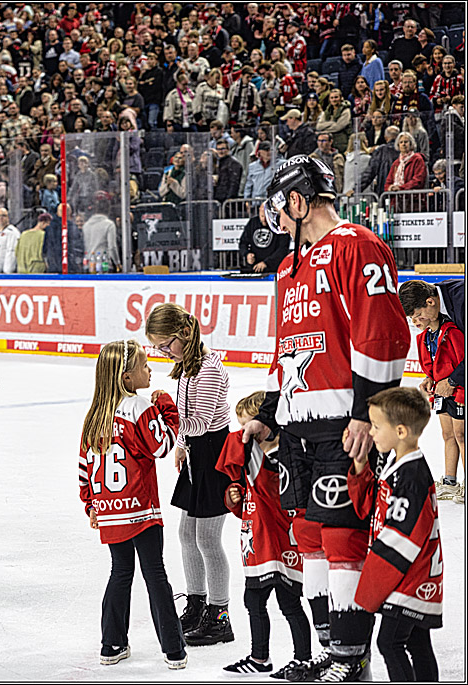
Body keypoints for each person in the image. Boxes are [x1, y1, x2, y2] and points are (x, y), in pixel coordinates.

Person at [245, 155, 410, 681]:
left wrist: (367, 412)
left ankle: (351, 654)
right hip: (296, 428)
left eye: (278, 205)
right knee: (308, 534)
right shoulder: (289, 267)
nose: (275, 218)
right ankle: (328, 648)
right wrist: (268, 414)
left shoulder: (358, 246)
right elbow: (286, 349)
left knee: (341, 536)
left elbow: (380, 332)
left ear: (296, 201)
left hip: (343, 422)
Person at [79, 340, 187, 670]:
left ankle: (111, 645)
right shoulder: (139, 407)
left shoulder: (95, 415)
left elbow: (85, 468)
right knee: (155, 574)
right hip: (141, 509)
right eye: (143, 366)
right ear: (127, 377)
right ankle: (174, 650)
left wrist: (91, 506)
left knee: (120, 572)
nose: (149, 369)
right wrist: (166, 405)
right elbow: (163, 445)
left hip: (111, 512)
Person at [145, 303, 233, 647]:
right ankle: (197, 604)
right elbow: (189, 421)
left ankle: (220, 615)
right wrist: (180, 443)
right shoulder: (185, 365)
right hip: (197, 451)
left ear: (184, 333)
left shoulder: (208, 369)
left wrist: (164, 414)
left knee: (208, 539)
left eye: (166, 345)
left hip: (214, 454)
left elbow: (201, 421)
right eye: (158, 348)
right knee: (186, 534)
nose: (164, 353)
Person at [348, 388, 442, 681]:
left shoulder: (411, 476)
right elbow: (374, 509)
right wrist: (361, 466)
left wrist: (371, 588)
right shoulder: (397, 465)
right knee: (417, 642)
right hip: (412, 577)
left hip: (409, 579)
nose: (372, 433)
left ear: (400, 431)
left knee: (389, 643)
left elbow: (402, 540)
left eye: (376, 426)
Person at [216, 391, 311, 678]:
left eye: (248, 425)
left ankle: (303, 658)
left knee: (289, 603)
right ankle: (260, 658)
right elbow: (248, 500)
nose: (243, 432)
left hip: (276, 545)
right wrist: (233, 495)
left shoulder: (269, 460)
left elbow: (234, 444)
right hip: (258, 543)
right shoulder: (257, 461)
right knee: (254, 601)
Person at [399, 280, 466, 503]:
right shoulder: (430, 330)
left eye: (419, 315)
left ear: (430, 301)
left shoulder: (461, 301)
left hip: (459, 388)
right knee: (450, 435)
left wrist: (454, 381)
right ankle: (450, 481)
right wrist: (433, 378)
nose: (418, 322)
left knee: (461, 434)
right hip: (449, 389)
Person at [238, 203, 289, 273]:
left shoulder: (279, 224)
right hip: (254, 268)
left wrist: (267, 263)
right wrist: (247, 254)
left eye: (266, 217)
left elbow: (282, 249)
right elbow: (243, 243)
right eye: (262, 216)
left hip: (274, 269)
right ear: (259, 212)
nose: (264, 219)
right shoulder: (252, 223)